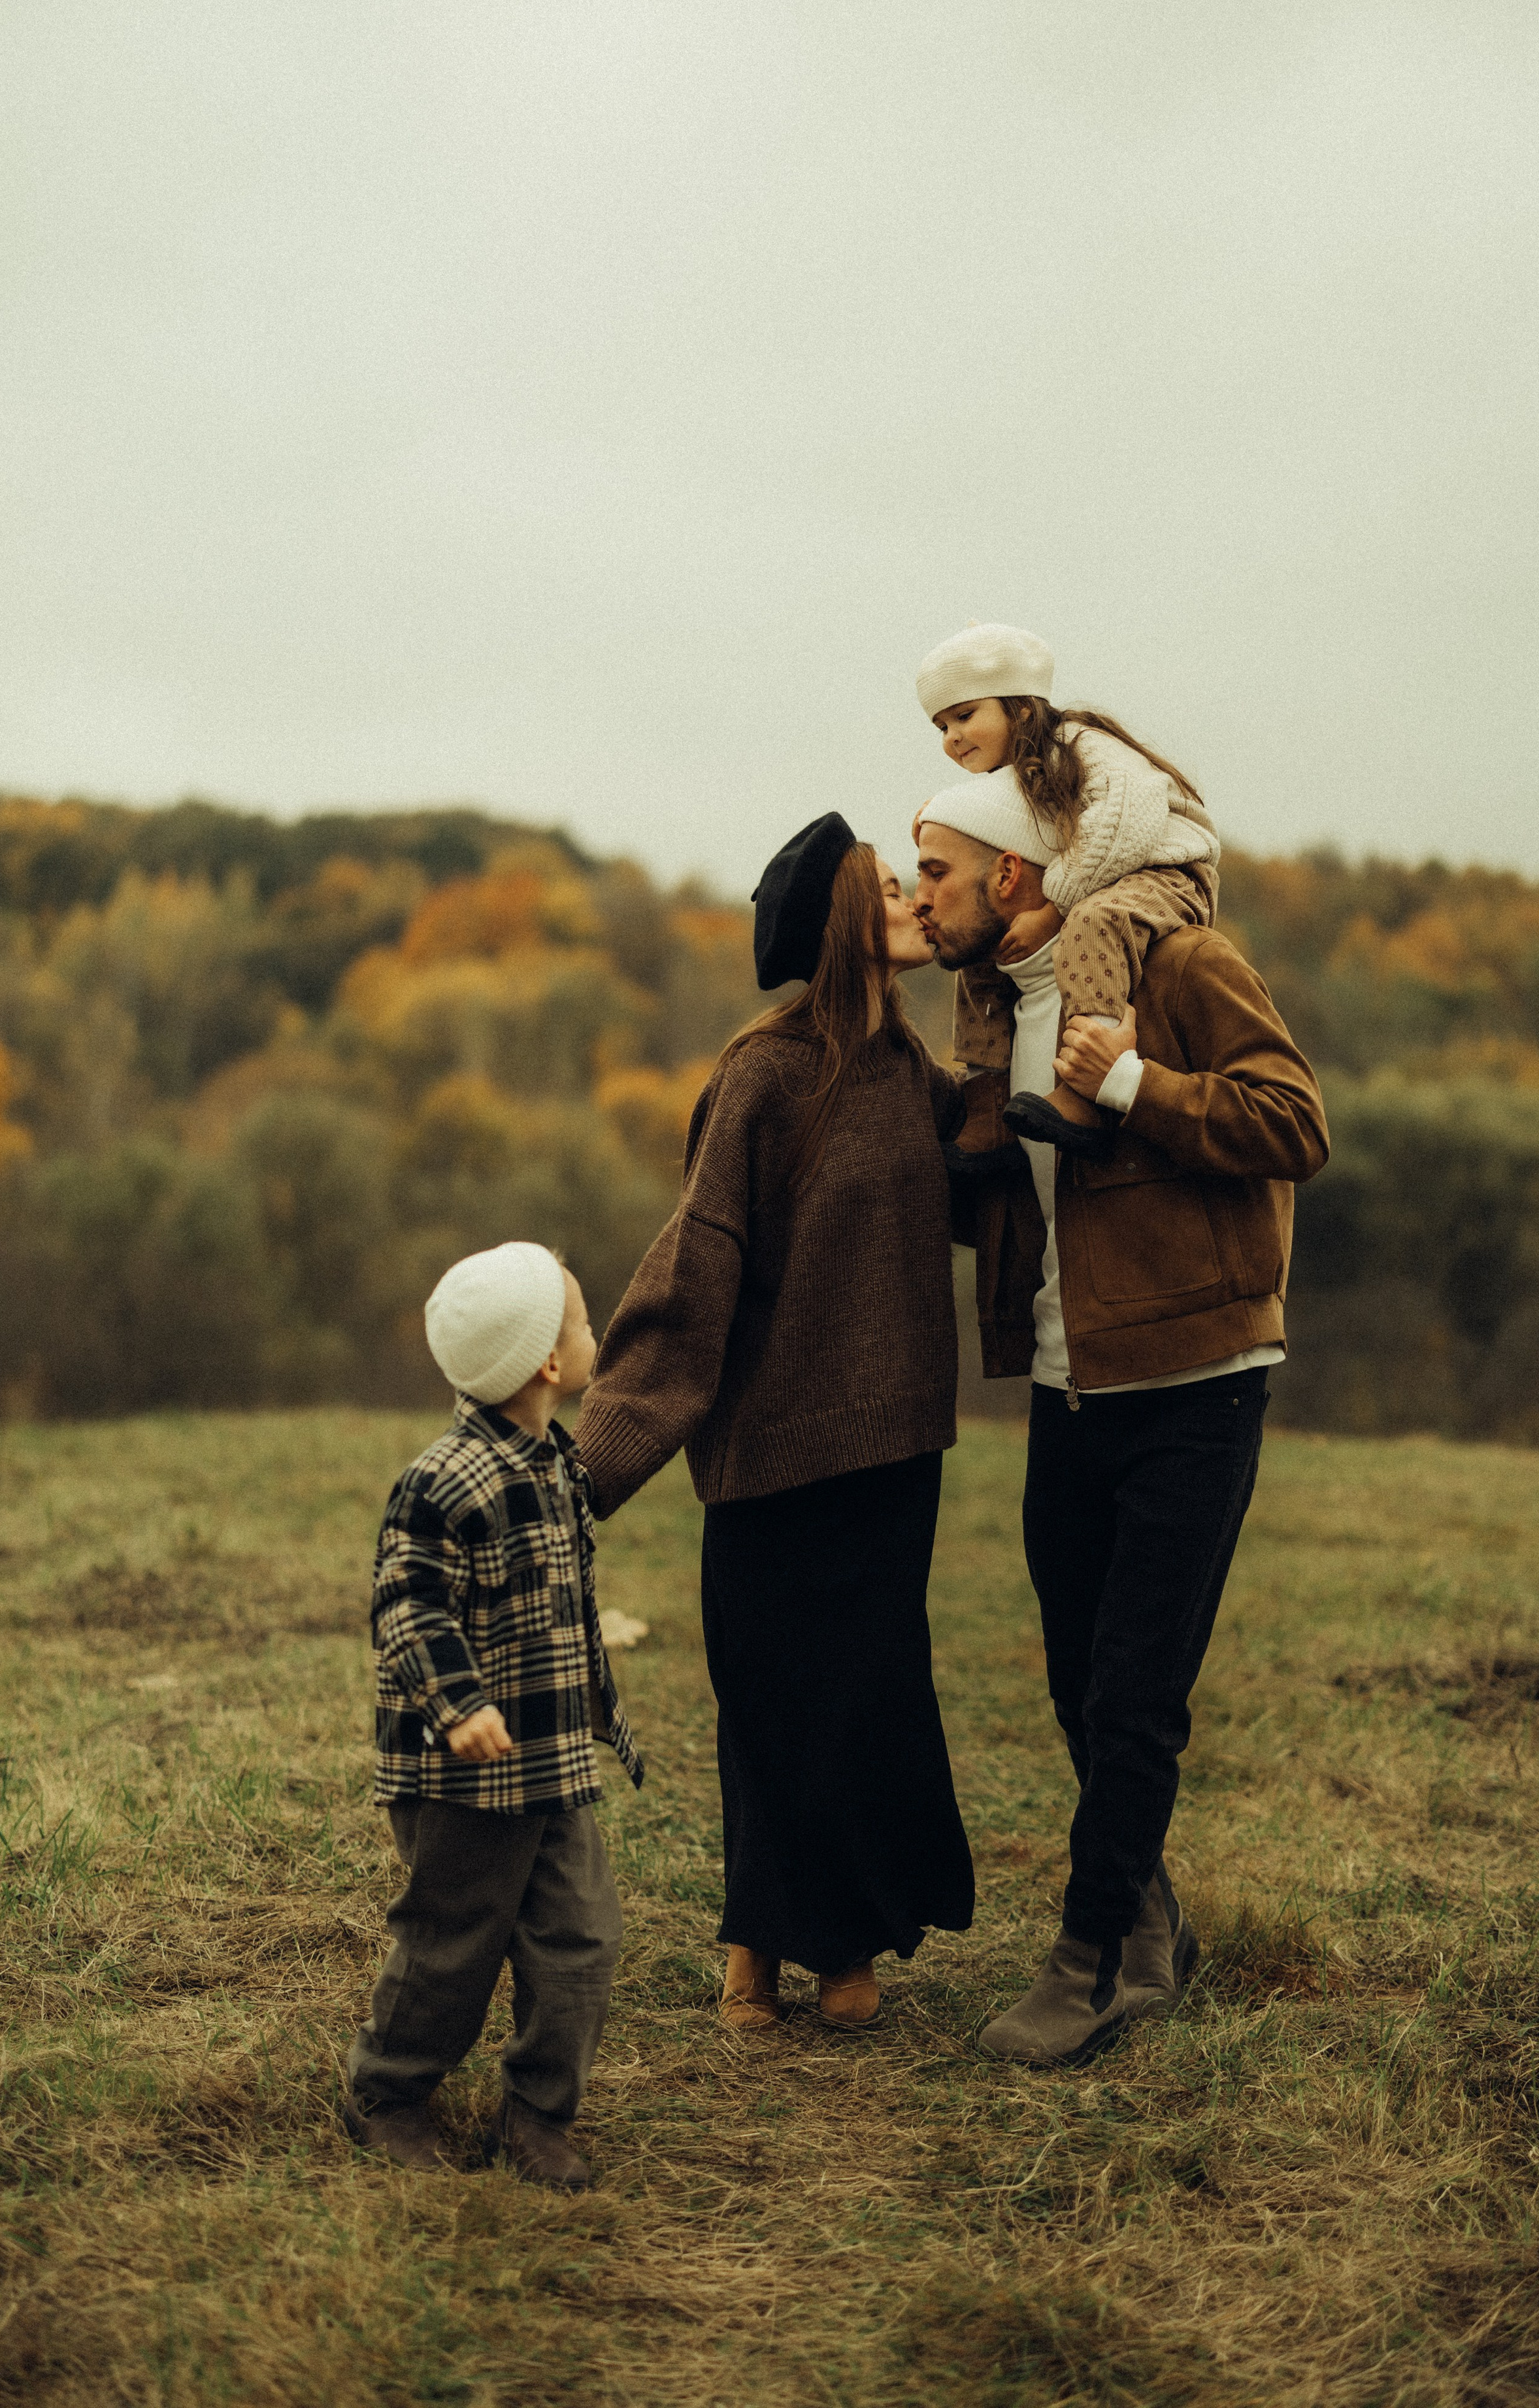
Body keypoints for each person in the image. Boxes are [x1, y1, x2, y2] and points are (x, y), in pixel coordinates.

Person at [912, 780, 1329, 2067]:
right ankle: (1146, 1924)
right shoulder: (994, 1013)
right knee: (1075, 1686)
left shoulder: (1178, 965)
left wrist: (1139, 1080)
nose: (918, 888)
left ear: (1017, 877)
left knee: (1135, 1694)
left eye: (936, 867)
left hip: (1197, 1379)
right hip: (1063, 1387)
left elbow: (1292, 1123)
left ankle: (1092, 1965)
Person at [576, 814, 975, 2034]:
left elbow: (1009, 1158)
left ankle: (842, 1945)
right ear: (848, 923)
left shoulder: (916, 1079)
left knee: (862, 1699)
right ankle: (756, 1938)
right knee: (767, 1702)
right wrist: (581, 1469)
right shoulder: (762, 1077)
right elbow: (692, 1270)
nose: (911, 897)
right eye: (889, 886)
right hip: (765, 1458)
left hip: (894, 1456)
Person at [345, 1241, 643, 2184]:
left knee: (582, 1940)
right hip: (462, 1774)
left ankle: (537, 2116)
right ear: (549, 1364)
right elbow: (407, 1605)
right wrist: (458, 1703)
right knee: (453, 1947)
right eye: (584, 1320)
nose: (597, 1333)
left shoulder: (559, 1465)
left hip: (551, 1765)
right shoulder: (444, 1481)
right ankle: (387, 2093)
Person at [913, 620, 1219, 1155]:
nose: (953, 737)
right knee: (977, 945)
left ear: (1024, 709)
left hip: (1165, 869)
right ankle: (986, 1096)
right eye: (941, 726)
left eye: (965, 716)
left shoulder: (1081, 746)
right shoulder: (1015, 773)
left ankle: (1086, 1086)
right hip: (1105, 876)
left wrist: (1056, 907)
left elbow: (1123, 823)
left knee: (1093, 923)